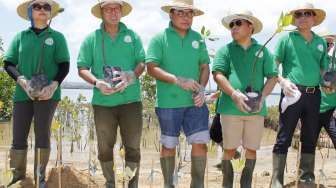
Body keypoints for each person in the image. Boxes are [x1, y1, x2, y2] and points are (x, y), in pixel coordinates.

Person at [77, 0, 145, 187]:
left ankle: (132, 184)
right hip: (102, 103)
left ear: (121, 11)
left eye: (117, 8)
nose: (113, 12)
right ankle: (110, 183)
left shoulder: (133, 36)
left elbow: (142, 62)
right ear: (101, 12)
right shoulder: (91, 39)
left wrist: (132, 75)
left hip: (131, 100)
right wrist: (97, 82)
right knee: (105, 147)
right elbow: (82, 67)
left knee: (133, 147)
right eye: (108, 9)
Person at [3, 0, 70, 187]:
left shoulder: (58, 37)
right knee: (18, 136)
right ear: (30, 11)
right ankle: (17, 177)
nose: (42, 9)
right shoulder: (20, 37)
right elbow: (8, 63)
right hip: (22, 94)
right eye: (37, 6)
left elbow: (64, 65)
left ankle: (40, 179)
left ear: (50, 13)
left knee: (42, 135)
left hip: (48, 95)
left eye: (46, 7)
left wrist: (54, 85)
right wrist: (21, 81)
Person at [146, 0, 210, 187]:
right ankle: (169, 184)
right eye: (180, 13)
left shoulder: (198, 39)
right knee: (168, 145)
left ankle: (197, 184)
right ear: (171, 14)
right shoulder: (159, 38)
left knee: (200, 143)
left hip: (195, 102)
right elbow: (151, 67)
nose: (186, 17)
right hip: (168, 103)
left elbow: (205, 67)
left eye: (189, 13)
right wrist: (177, 80)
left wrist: (202, 89)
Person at [212, 10, 278, 188]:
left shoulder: (263, 51)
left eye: (238, 23)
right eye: (231, 25)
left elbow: (273, 76)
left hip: (255, 110)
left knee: (251, 149)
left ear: (251, 26)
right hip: (229, 109)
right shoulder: (225, 50)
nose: (233, 27)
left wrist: (263, 97)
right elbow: (217, 74)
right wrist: (234, 94)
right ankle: (227, 184)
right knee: (229, 149)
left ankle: (246, 184)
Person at [271, 3, 329, 187]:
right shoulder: (285, 38)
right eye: (298, 14)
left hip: (314, 95)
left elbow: (323, 67)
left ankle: (306, 179)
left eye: (307, 13)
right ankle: (277, 180)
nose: (303, 16)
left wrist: (326, 82)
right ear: (294, 18)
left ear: (314, 18)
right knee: (284, 136)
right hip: (292, 94)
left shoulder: (320, 42)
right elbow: (274, 64)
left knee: (310, 137)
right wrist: (282, 81)